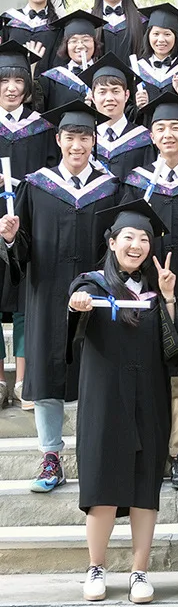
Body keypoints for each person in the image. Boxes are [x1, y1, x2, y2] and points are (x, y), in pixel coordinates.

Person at [66, 200, 178, 604]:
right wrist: (78, 303)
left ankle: (139, 572)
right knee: (102, 481)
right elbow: (76, 301)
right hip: (105, 398)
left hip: (148, 395)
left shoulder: (156, 289)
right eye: (128, 237)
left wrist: (167, 298)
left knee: (145, 483)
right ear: (112, 241)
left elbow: (174, 348)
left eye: (144, 238)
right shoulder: (92, 284)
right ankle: (95, 567)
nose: (137, 244)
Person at [3, 101, 118, 492]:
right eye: (70, 137)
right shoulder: (36, 186)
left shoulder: (110, 188)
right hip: (46, 292)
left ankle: (93, 450)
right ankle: (51, 455)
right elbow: (23, 248)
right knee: (47, 371)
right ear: (59, 139)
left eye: (85, 137)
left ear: (94, 141)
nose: (77, 145)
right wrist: (10, 237)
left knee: (95, 371)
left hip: (94, 296)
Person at [123, 92, 178, 491]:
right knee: (149, 369)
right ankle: (149, 450)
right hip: (144, 292)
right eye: (161, 128)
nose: (169, 134)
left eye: (176, 127)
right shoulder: (139, 183)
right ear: (152, 136)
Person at [0, 41, 55, 410]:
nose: (10, 86)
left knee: (23, 298)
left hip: (28, 216)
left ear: (27, 84)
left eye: (17, 79)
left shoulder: (43, 128)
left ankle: (22, 381)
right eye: (3, 80)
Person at [79, 54, 151, 181]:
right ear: (93, 97)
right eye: (102, 92)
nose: (109, 98)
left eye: (115, 91)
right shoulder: (82, 139)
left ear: (127, 95)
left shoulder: (144, 139)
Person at [2, 0, 66, 71]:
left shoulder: (58, 26)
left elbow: (59, 62)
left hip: (46, 86)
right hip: (13, 84)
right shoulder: (8, 19)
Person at [39, 10, 105, 111]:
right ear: (66, 46)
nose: (80, 46)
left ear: (95, 44)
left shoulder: (105, 75)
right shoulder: (53, 78)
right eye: (73, 41)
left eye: (86, 40)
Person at [132, 3, 178, 105]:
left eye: (167, 34)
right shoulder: (137, 69)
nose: (161, 40)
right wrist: (139, 107)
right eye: (156, 34)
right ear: (148, 36)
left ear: (176, 37)